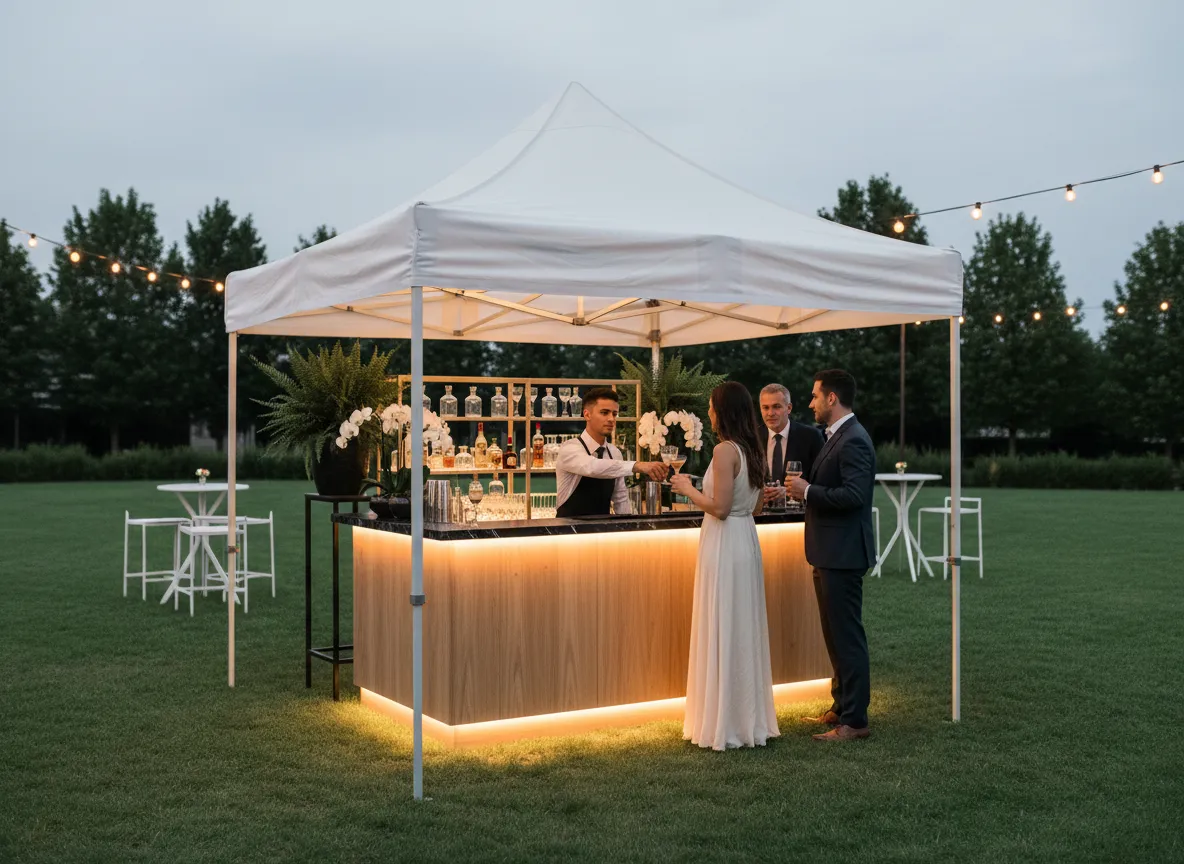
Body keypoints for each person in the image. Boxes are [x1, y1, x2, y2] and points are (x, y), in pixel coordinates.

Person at [672, 381, 778, 750]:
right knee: (741, 624)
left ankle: (723, 722)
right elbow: (757, 506)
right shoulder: (753, 449)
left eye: (712, 406)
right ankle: (747, 719)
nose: (709, 412)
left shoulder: (723, 450)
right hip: (746, 538)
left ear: (723, 411)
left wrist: (687, 489)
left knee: (722, 621)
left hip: (724, 540)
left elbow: (719, 508)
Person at [787, 369, 876, 742]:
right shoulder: (837, 435)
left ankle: (855, 721)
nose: (810, 403)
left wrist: (808, 491)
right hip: (827, 552)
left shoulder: (853, 439)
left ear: (832, 398)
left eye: (814, 396)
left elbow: (855, 496)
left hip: (843, 553)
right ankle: (840, 707)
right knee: (834, 635)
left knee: (847, 636)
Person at [555, 387, 668, 518]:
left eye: (614, 414)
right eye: (604, 413)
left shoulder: (614, 453)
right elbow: (592, 467)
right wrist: (637, 465)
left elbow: (620, 497)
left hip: (603, 529)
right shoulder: (569, 448)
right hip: (567, 529)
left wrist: (629, 524)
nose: (611, 419)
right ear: (587, 415)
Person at [758, 384, 825, 508]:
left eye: (776, 407)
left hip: (799, 514)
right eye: (765, 408)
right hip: (760, 514)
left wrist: (789, 492)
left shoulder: (811, 437)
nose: (770, 413)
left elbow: (823, 481)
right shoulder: (752, 438)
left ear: (789, 408)